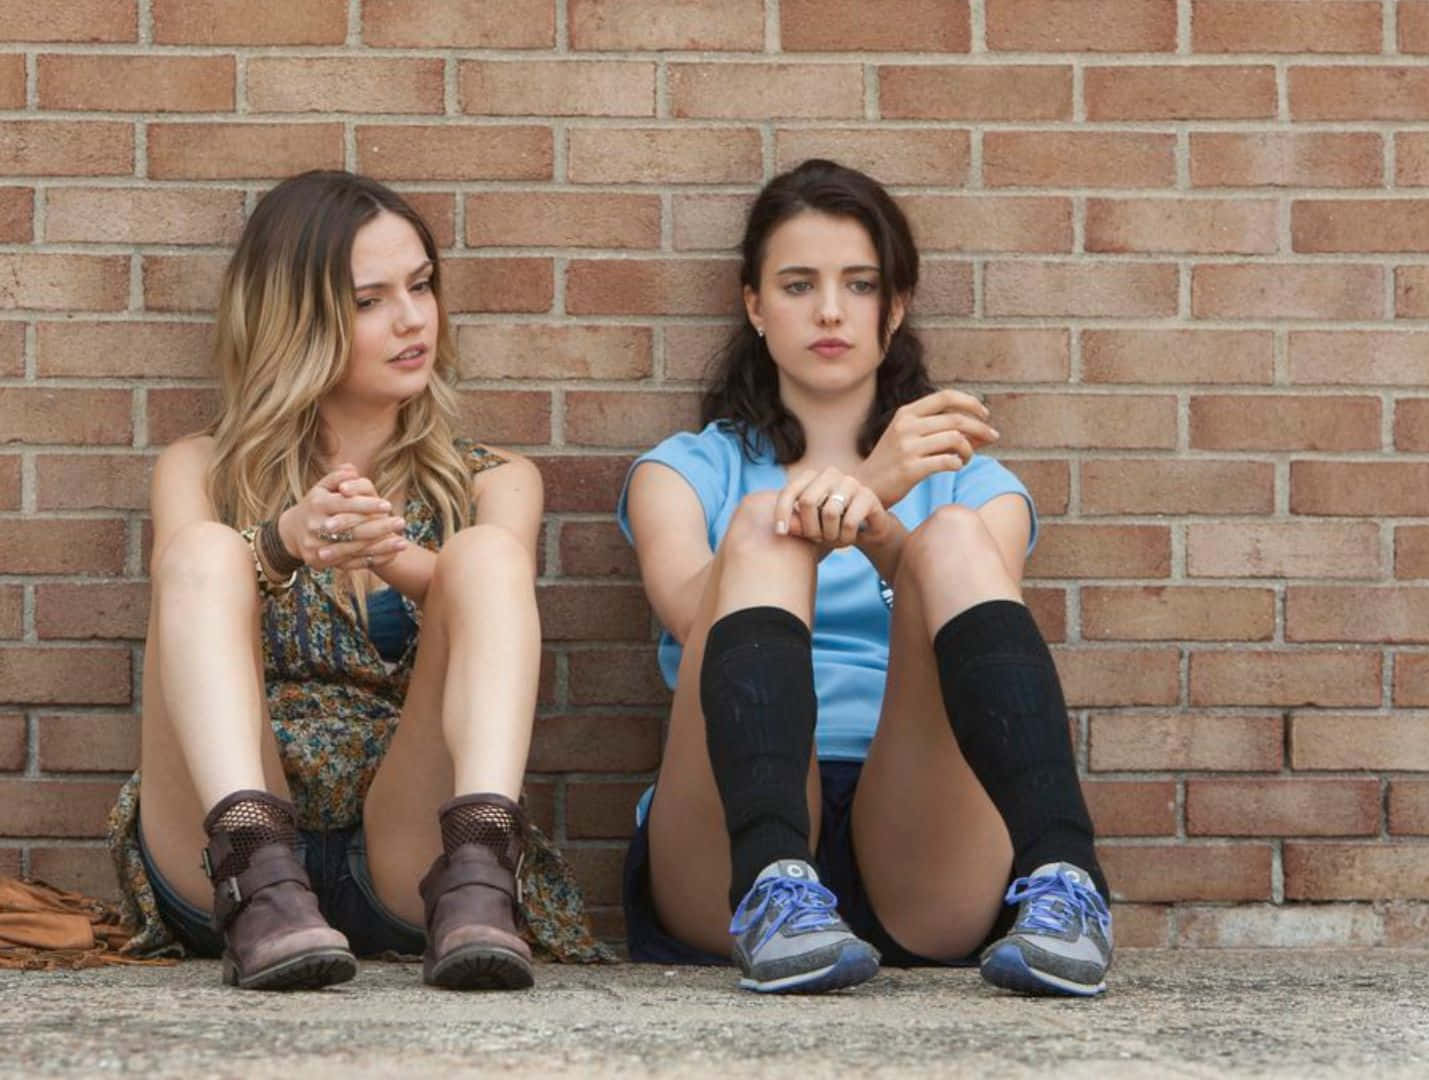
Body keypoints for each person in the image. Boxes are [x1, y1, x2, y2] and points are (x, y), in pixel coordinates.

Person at [617, 159, 1111, 996]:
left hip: (925, 836)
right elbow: (692, 615)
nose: (832, 311)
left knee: (951, 539)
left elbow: (991, 661)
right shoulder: (682, 470)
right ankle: (778, 884)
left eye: (860, 283)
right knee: (761, 531)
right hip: (729, 844)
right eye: (799, 285)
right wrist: (860, 492)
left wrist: (878, 519)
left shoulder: (973, 479)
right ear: (754, 305)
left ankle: (1068, 878)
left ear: (896, 306)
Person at [106, 170, 609, 991]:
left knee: (486, 559)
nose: (413, 319)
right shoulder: (200, 467)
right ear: (298, 319)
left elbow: (489, 616)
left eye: (420, 286)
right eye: (370, 300)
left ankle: (482, 871)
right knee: (201, 552)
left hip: (409, 845)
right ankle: (261, 875)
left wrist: (393, 557)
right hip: (229, 844)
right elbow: (191, 604)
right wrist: (281, 540)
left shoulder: (496, 480)